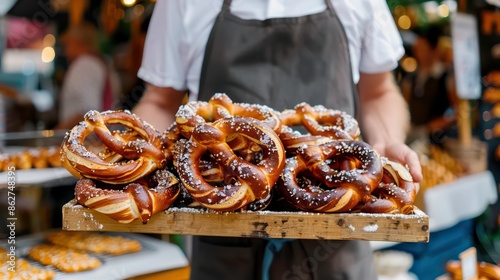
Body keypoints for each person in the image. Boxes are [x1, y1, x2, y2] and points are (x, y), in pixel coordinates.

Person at [134, 0, 423, 279]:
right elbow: (160, 101)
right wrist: (134, 155)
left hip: (336, 230)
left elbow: (378, 92)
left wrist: (385, 142)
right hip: (222, 226)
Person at [54, 22, 122, 129]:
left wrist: (60, 130)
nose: (65, 51)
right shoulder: (102, 62)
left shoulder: (84, 65)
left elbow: (88, 110)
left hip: (85, 137)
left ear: (79, 43)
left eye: (67, 44)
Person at [401, 26, 457, 145]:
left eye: (423, 48)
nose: (418, 53)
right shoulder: (412, 77)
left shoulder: (445, 77)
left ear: (434, 50)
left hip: (437, 140)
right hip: (414, 136)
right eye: (416, 49)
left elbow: (457, 112)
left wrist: (431, 127)